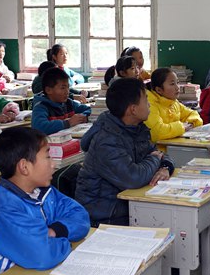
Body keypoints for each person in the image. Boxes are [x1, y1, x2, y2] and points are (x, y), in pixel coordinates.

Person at [0, 127, 90, 275]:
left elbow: (81, 217)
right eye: (47, 157)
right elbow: (43, 255)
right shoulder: (6, 207)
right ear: (24, 167)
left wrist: (55, 231)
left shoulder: (43, 192)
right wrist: (67, 242)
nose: (53, 164)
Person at [75, 77, 175, 227]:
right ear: (133, 109)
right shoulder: (106, 141)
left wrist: (165, 167)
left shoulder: (136, 128)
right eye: (145, 99)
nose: (149, 104)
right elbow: (133, 177)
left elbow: (158, 153)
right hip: (104, 216)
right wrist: (155, 159)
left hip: (126, 207)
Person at [144, 67, 203, 142]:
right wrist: (182, 127)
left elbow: (193, 114)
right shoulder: (149, 105)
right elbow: (157, 132)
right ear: (159, 90)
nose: (177, 87)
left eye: (177, 82)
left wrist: (190, 124)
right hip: (157, 148)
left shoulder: (173, 102)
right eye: (172, 84)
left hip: (174, 145)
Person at [31, 67, 91, 135]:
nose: (67, 92)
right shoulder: (41, 107)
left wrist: (82, 116)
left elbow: (90, 109)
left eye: (68, 87)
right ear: (48, 90)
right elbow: (39, 127)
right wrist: (68, 123)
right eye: (63, 88)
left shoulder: (69, 103)